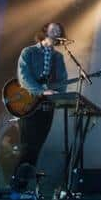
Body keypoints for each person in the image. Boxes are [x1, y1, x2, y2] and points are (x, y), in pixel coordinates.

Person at [14, 22, 68, 188]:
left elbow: (62, 80)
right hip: (28, 103)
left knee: (37, 146)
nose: (57, 30)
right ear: (45, 31)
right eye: (54, 28)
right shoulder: (29, 52)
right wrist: (41, 91)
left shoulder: (58, 57)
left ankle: (25, 189)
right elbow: (24, 77)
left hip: (47, 106)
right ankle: (16, 186)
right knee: (26, 145)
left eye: (59, 29)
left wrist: (57, 92)